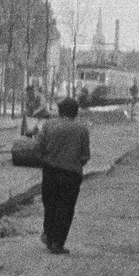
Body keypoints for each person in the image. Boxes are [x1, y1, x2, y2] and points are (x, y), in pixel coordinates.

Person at [37, 97, 91, 254]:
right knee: (66, 208)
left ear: (59, 111)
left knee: (50, 204)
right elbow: (85, 156)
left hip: (50, 171)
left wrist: (46, 159)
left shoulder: (48, 125)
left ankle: (48, 234)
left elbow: (37, 147)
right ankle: (57, 243)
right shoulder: (82, 129)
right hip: (71, 174)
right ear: (76, 112)